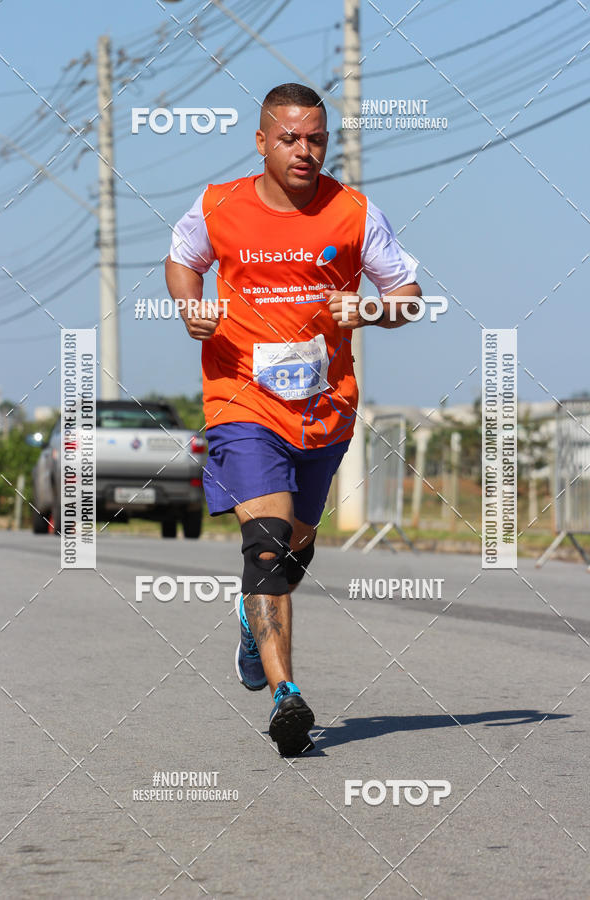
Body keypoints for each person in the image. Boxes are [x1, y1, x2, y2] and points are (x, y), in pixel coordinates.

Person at [165, 82, 422, 757]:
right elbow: (182, 260)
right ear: (261, 141)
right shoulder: (219, 204)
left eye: (315, 138)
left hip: (324, 409)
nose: (304, 150)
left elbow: (408, 296)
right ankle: (287, 695)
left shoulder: (355, 211)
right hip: (240, 399)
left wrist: (367, 310)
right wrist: (193, 307)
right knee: (270, 543)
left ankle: (254, 623)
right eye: (289, 138)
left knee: (299, 541)